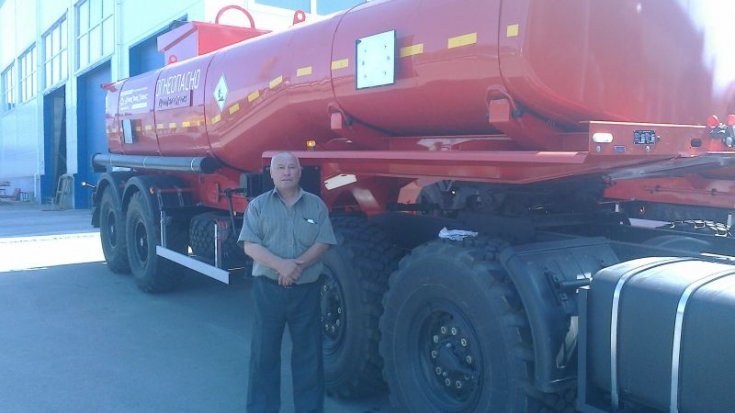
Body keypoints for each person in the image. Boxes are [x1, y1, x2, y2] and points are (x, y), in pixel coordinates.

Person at [238, 152, 337, 413]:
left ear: (300, 172)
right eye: (280, 167)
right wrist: (281, 265)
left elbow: (324, 241)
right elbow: (250, 245)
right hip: (268, 290)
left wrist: (296, 267)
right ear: (271, 174)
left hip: (306, 290)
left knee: (309, 355)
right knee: (264, 353)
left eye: (291, 167)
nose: (286, 172)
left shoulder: (316, 205)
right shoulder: (258, 206)